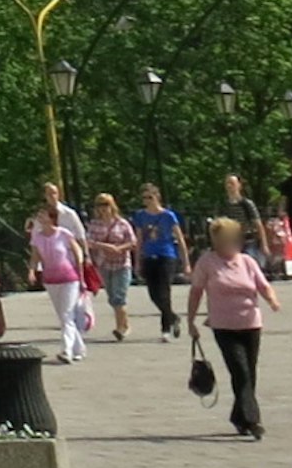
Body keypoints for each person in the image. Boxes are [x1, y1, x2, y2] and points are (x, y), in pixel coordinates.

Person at [186, 214, 278, 439]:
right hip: (224, 326)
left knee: (249, 373)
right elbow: (196, 291)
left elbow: (262, 285)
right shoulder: (207, 262)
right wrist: (191, 320)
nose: (232, 243)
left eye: (234, 239)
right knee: (240, 370)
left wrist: (272, 300)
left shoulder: (247, 261)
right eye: (227, 239)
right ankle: (253, 420)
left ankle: (239, 417)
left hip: (250, 323)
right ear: (216, 240)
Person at [27, 198, 91, 362]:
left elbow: (78, 255)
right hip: (51, 279)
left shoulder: (63, 234)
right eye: (39, 215)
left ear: (51, 217)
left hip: (69, 278)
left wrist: (81, 277)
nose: (40, 217)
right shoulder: (37, 237)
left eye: (43, 214)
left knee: (66, 314)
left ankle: (66, 351)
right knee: (64, 316)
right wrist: (32, 272)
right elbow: (35, 257)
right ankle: (79, 349)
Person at [130, 182, 188, 339]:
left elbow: (180, 238)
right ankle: (173, 317)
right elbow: (140, 239)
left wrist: (186, 262)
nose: (147, 200)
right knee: (153, 294)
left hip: (166, 255)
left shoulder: (168, 215)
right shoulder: (141, 216)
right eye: (144, 198)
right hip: (149, 256)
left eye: (150, 197)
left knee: (164, 292)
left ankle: (165, 328)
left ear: (157, 197)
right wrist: (138, 261)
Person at [86, 193, 138, 343]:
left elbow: (133, 242)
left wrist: (119, 248)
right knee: (112, 297)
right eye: (100, 205)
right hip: (104, 264)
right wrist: (105, 246)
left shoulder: (122, 223)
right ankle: (123, 324)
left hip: (122, 264)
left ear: (112, 205)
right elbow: (88, 241)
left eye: (106, 204)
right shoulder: (95, 224)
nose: (103, 208)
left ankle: (122, 328)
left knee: (119, 296)